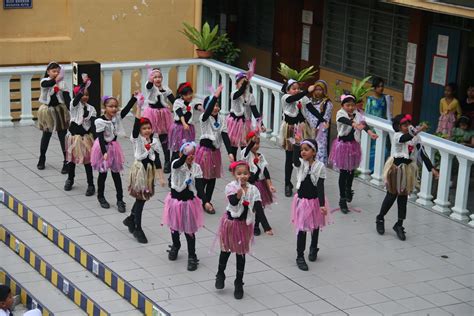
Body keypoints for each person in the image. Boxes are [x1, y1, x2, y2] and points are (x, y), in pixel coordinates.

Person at [376, 114, 439, 240]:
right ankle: (380, 218)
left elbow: (422, 153)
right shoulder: (398, 136)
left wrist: (432, 169)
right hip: (396, 169)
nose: (407, 127)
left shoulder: (416, 138)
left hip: (408, 170)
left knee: (403, 198)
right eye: (404, 125)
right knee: (392, 195)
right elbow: (406, 137)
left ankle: (399, 224)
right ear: (398, 126)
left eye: (408, 124)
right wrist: (419, 129)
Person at [215, 161, 263, 300]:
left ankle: (238, 282)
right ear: (234, 175)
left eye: (245, 173)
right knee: (226, 250)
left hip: (243, 225)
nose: (242, 176)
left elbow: (259, 207)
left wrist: (266, 227)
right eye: (239, 173)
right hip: (230, 223)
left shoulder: (253, 189)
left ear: (249, 174)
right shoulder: (230, 187)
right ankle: (220, 273)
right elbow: (233, 202)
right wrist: (238, 195)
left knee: (241, 254)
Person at [123, 107, 166, 244]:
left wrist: (160, 177)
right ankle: (138, 228)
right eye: (144, 128)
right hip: (140, 170)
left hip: (149, 171)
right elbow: (135, 127)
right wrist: (139, 107)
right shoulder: (137, 139)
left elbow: (157, 158)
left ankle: (130, 219)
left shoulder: (153, 140)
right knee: (140, 199)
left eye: (149, 128)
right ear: (140, 131)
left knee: (143, 198)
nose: (147, 130)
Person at [329, 94, 378, 214]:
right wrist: (354, 124)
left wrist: (370, 132)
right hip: (343, 146)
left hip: (353, 145)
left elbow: (363, 124)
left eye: (352, 105)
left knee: (351, 170)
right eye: (347, 105)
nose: (350, 107)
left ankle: (348, 189)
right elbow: (343, 120)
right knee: (344, 172)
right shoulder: (340, 113)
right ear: (342, 105)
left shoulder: (357, 113)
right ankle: (342, 200)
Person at [91, 92, 138, 212]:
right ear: (104, 108)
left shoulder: (116, 118)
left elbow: (126, 109)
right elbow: (100, 137)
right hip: (102, 149)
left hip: (113, 148)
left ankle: (120, 200)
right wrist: (104, 152)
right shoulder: (100, 121)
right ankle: (101, 196)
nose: (113, 109)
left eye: (115, 106)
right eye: (110, 106)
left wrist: (134, 98)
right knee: (103, 174)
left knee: (116, 175)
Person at [162, 141, 204, 271]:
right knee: (174, 227)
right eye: (188, 154)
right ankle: (176, 245)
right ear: (181, 154)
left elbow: (200, 186)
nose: (190, 156)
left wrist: (206, 200)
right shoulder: (176, 164)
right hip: (175, 202)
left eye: (193, 154)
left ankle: (192, 255)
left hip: (189, 203)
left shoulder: (196, 168)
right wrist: (184, 155)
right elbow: (180, 163)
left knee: (189, 231)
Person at [280, 80, 327, 197]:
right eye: (293, 88)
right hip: (290, 130)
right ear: (287, 90)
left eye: (297, 88)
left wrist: (322, 119)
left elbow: (311, 109)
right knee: (290, 156)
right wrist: (306, 91)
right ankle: (287, 183)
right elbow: (293, 98)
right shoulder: (286, 98)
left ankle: (304, 180)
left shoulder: (302, 98)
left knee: (303, 156)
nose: (296, 90)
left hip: (301, 129)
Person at [194, 85, 234, 214]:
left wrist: (230, 153)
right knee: (204, 178)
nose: (216, 108)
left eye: (217, 105)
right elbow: (208, 110)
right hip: (205, 152)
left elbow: (225, 135)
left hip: (215, 152)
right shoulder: (204, 118)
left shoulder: (221, 119)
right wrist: (216, 95)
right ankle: (202, 199)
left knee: (212, 178)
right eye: (213, 105)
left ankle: (207, 201)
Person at [291, 136, 328, 271]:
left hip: (315, 201)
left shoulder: (320, 166)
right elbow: (295, 160)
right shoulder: (301, 164)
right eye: (302, 150)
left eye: (306, 150)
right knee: (302, 228)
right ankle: (300, 256)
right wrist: (296, 144)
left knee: (315, 225)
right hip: (302, 201)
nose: (303, 152)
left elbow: (320, 186)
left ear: (314, 151)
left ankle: (314, 246)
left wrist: (322, 204)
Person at [36, 62, 71, 173]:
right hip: (47, 111)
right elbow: (47, 85)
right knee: (46, 135)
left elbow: (67, 98)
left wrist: (72, 110)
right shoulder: (44, 81)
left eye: (58, 71)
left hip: (60, 110)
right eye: (53, 71)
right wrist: (57, 79)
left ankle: (66, 161)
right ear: (48, 72)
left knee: (63, 136)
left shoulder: (63, 83)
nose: (56, 73)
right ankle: (42, 157)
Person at [64, 78, 96, 195]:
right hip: (73, 137)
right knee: (71, 161)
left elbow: (92, 125)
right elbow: (76, 99)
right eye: (82, 95)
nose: (85, 97)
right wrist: (83, 85)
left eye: (87, 95)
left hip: (85, 138)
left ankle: (91, 184)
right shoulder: (74, 105)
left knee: (87, 162)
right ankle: (70, 179)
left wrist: (96, 139)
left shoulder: (91, 109)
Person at [242, 131, 275, 236]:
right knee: (247, 204)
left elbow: (265, 171)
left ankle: (256, 225)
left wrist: (270, 185)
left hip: (260, 184)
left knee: (259, 205)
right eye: (254, 143)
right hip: (248, 183)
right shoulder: (245, 153)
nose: (256, 145)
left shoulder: (261, 156)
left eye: (258, 143)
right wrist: (252, 142)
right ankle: (245, 221)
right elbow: (247, 150)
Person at [142, 68, 175, 173]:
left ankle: (167, 161)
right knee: (149, 136)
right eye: (155, 77)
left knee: (164, 138)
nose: (157, 79)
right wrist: (150, 81)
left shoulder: (166, 88)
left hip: (163, 114)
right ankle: (150, 159)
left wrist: (181, 107)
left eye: (159, 77)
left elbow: (173, 100)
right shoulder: (150, 87)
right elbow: (148, 86)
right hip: (152, 113)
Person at [227, 73, 263, 160]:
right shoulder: (234, 94)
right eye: (242, 83)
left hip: (245, 123)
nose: (245, 85)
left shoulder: (250, 96)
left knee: (245, 143)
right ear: (236, 84)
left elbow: (255, 112)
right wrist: (245, 82)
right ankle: (234, 162)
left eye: (246, 84)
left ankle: (245, 161)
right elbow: (240, 92)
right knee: (234, 144)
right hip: (235, 122)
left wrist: (261, 124)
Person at [365, 77, 393, 170]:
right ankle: (371, 169)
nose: (381, 88)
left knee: (384, 150)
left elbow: (388, 113)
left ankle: (378, 169)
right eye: (379, 86)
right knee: (371, 150)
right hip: (372, 129)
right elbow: (367, 114)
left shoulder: (386, 99)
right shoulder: (370, 100)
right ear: (374, 87)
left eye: (382, 86)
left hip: (382, 128)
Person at [306, 80, 333, 165]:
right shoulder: (309, 101)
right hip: (309, 128)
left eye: (320, 90)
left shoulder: (327, 103)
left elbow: (326, 117)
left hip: (320, 130)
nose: (318, 91)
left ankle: (319, 166)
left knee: (320, 148)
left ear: (324, 90)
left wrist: (319, 128)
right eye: (316, 89)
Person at [168, 82, 196, 162]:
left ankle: (185, 165)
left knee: (187, 148)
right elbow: (180, 114)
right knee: (177, 148)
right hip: (179, 127)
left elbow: (197, 106)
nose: (189, 96)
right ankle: (174, 166)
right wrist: (184, 123)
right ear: (181, 95)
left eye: (190, 94)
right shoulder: (178, 102)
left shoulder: (192, 103)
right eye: (186, 95)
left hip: (188, 128)